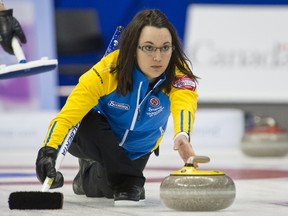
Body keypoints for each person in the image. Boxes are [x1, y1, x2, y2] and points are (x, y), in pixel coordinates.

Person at [35, 9, 199, 206]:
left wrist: (182, 135)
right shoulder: (107, 71)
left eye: (165, 47)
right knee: (124, 181)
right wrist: (48, 151)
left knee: (103, 189)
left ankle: (88, 175)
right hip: (95, 134)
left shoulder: (178, 73)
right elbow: (67, 116)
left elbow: (184, 103)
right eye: (149, 48)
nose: (158, 57)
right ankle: (129, 179)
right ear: (132, 48)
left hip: (137, 147)